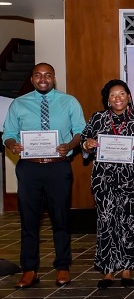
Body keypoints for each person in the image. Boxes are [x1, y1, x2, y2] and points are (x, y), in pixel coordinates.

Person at [2, 63, 86, 289]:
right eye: (38, 75)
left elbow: (81, 130)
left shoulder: (69, 102)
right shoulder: (19, 104)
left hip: (58, 167)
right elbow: (8, 133)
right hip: (29, 168)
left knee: (61, 219)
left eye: (48, 75)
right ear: (31, 79)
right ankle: (29, 269)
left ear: (54, 78)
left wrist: (69, 145)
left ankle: (62, 267)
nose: (43, 79)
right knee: (29, 221)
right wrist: (12, 145)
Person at [80, 79, 134, 289]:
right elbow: (84, 142)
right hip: (104, 180)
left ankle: (127, 269)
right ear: (107, 100)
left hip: (132, 181)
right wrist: (87, 145)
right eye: (112, 95)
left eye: (121, 94)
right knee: (107, 223)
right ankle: (108, 270)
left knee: (131, 222)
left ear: (129, 97)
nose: (117, 98)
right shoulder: (98, 118)